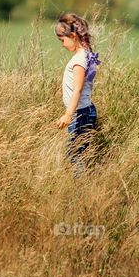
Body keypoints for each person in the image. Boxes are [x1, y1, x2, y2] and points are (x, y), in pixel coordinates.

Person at [54, 13, 100, 177]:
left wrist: (68, 114)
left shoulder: (79, 59)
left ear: (73, 36)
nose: (62, 45)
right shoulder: (87, 54)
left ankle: (82, 185)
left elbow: (77, 90)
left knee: (75, 153)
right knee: (80, 152)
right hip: (85, 112)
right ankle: (87, 180)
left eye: (62, 40)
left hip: (80, 113)